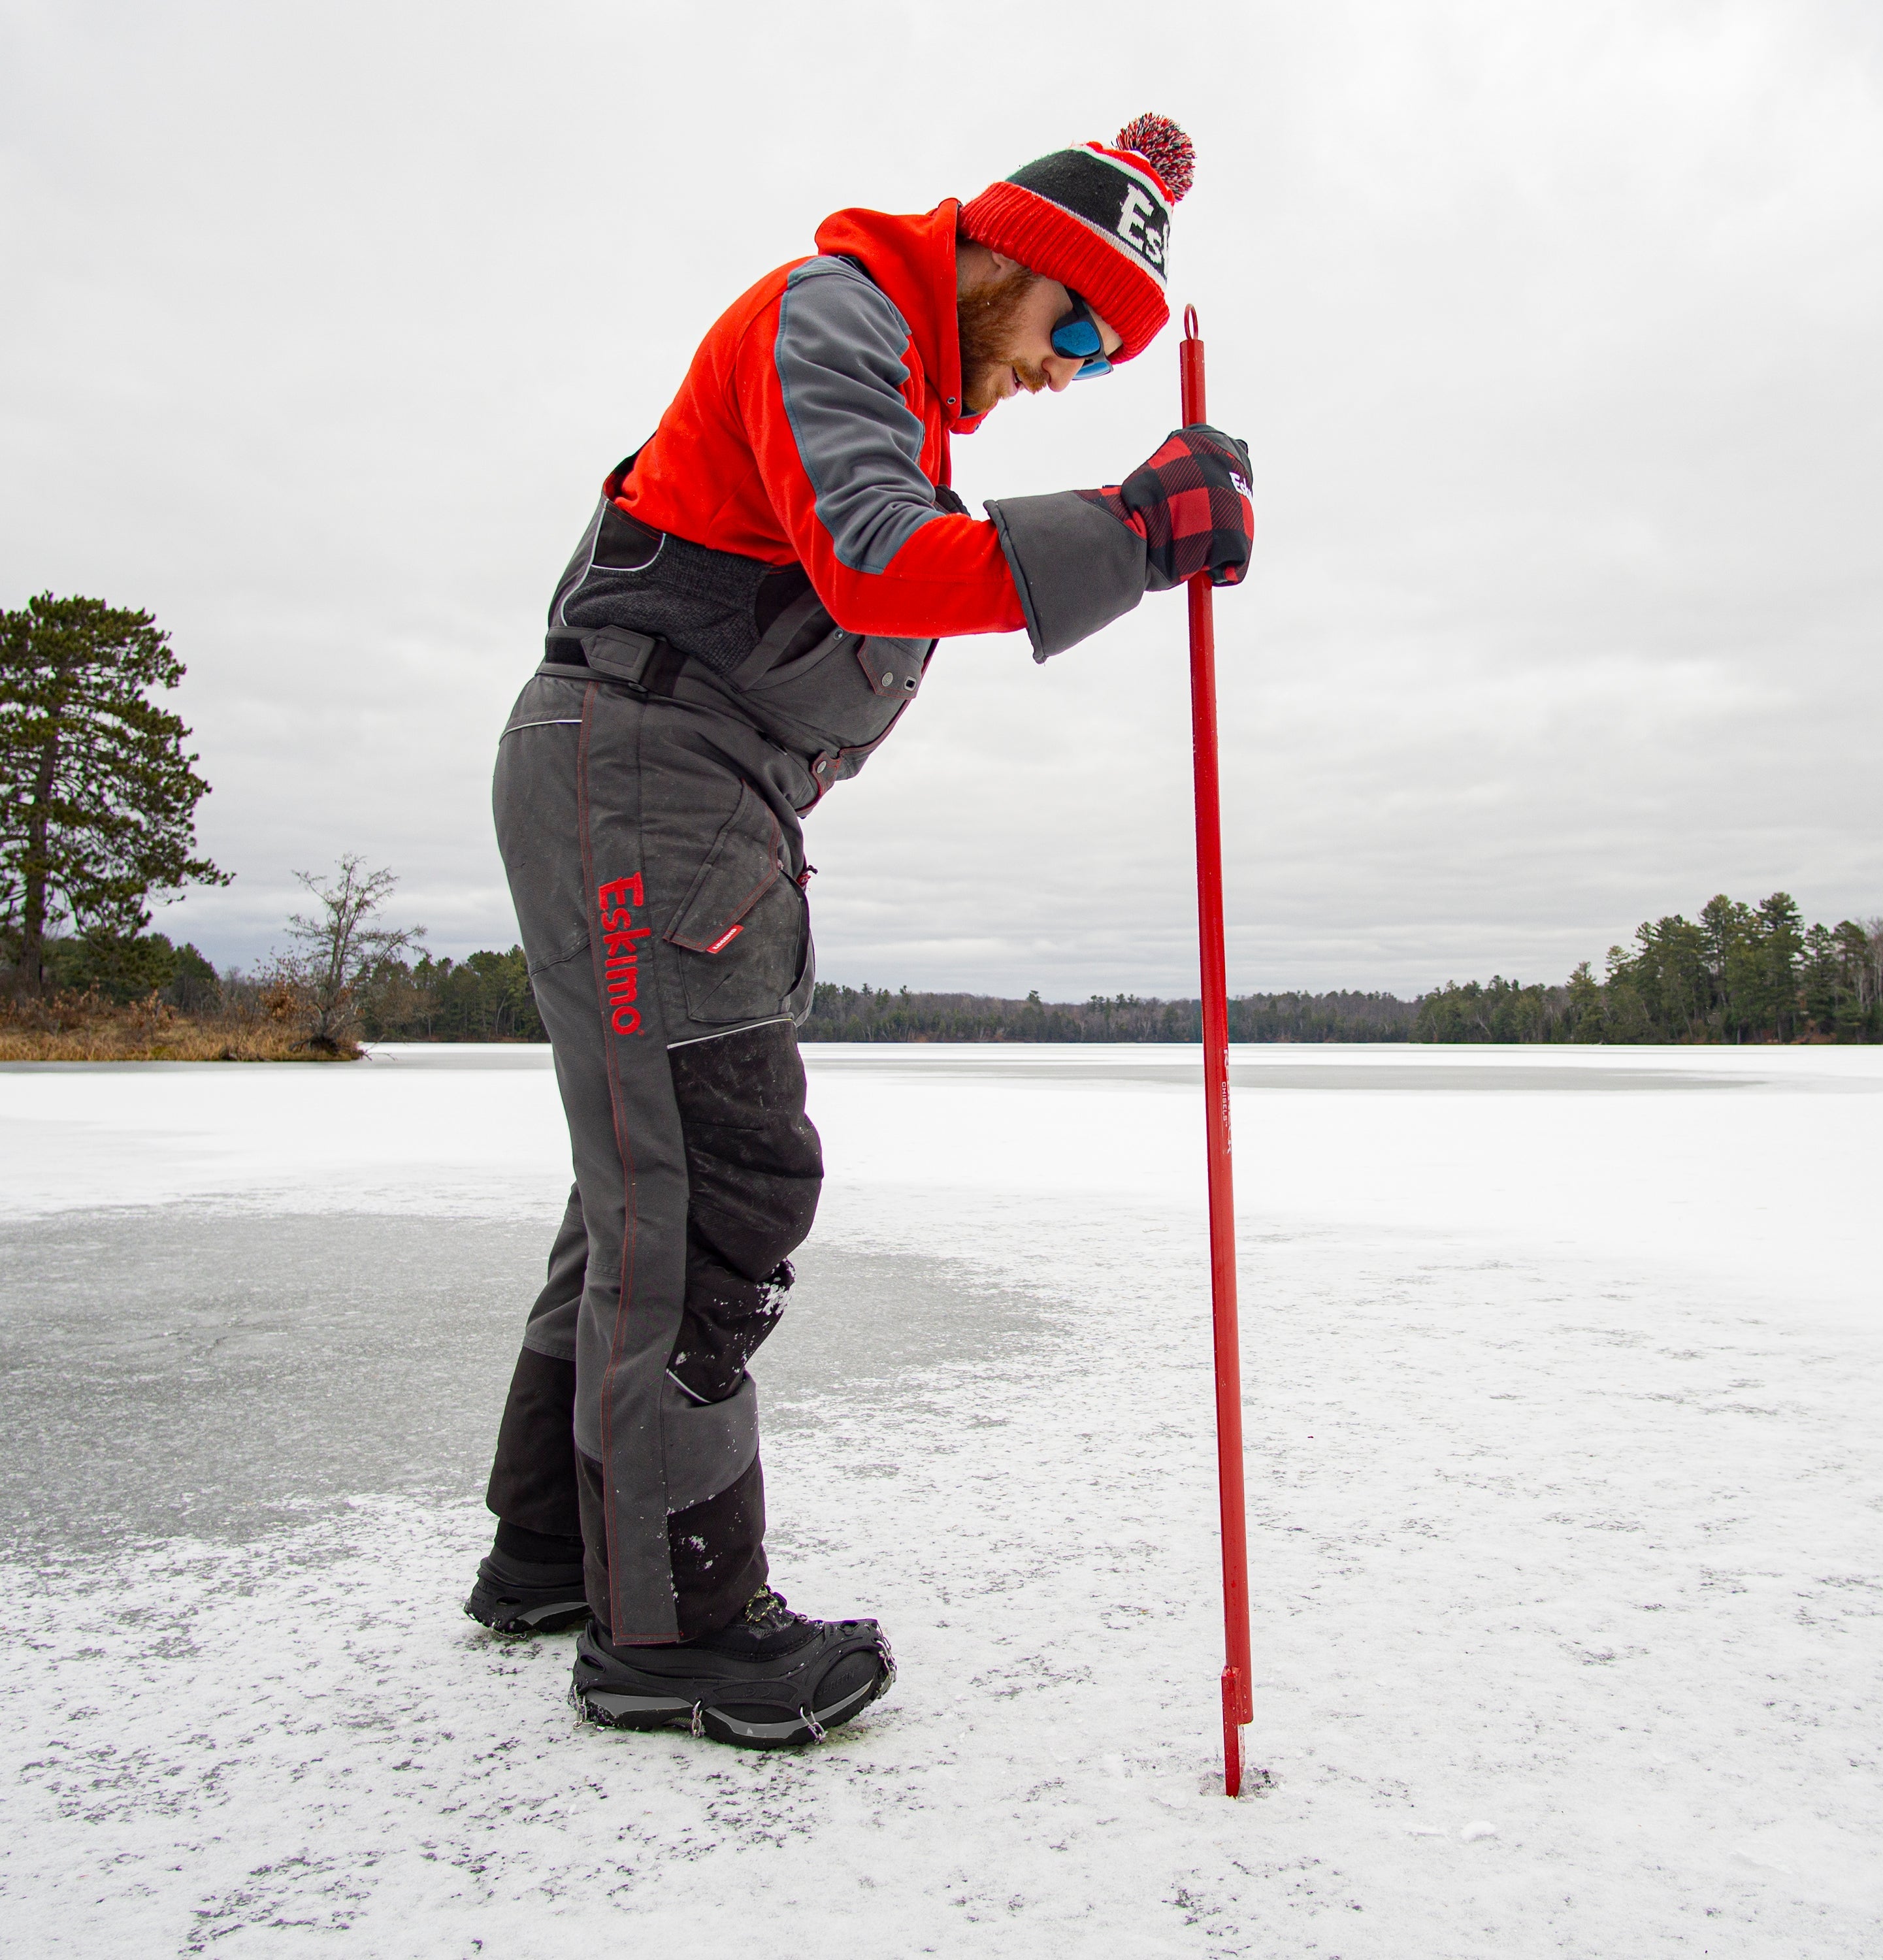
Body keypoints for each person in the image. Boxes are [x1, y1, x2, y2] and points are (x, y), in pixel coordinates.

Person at [465, 113, 1253, 1750]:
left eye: (1110, 353)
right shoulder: (843, 314)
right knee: (716, 1181)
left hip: (682, 788)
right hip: (644, 768)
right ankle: (672, 1628)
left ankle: (558, 1549)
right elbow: (885, 564)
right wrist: (1135, 527)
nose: (1072, 369)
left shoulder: (898, 373)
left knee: (648, 1175)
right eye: (1073, 327)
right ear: (1011, 258)